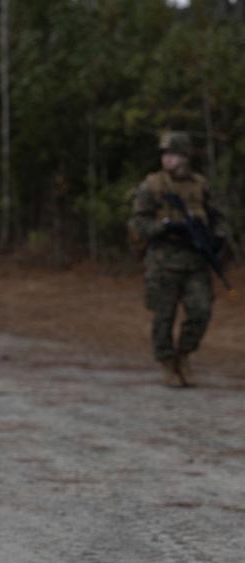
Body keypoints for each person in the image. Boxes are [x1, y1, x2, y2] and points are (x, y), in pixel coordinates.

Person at [131, 130, 229, 388]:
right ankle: (167, 363)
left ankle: (183, 355)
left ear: (185, 156)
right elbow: (139, 222)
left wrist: (217, 238)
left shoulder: (200, 185)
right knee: (163, 315)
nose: (167, 159)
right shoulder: (152, 185)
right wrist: (165, 226)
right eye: (165, 154)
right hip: (163, 260)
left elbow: (218, 216)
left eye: (173, 154)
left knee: (201, 310)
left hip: (195, 260)